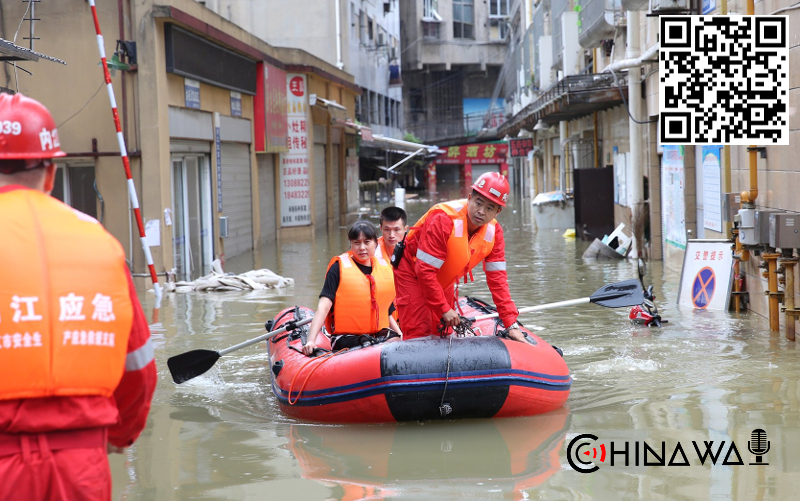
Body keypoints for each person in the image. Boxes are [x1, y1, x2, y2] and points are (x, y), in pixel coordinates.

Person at [0, 93, 156, 501]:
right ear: (50, 172)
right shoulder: (100, 243)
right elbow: (139, 365)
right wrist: (118, 434)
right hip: (81, 463)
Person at [393, 172, 526, 342]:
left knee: (444, 333)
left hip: (444, 279)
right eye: (478, 203)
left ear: (498, 211)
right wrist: (443, 308)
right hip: (412, 273)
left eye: (489, 208)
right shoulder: (442, 219)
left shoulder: (495, 233)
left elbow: (498, 282)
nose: (481, 212)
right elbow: (424, 271)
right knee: (419, 333)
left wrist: (510, 324)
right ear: (469, 198)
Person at [303, 221, 401, 355]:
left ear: (376, 244)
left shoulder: (384, 269)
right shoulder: (338, 268)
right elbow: (324, 306)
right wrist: (311, 340)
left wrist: (401, 335)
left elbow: (387, 311)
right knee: (368, 345)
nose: (362, 248)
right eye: (357, 242)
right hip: (346, 337)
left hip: (376, 334)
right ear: (350, 244)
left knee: (395, 341)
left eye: (367, 242)